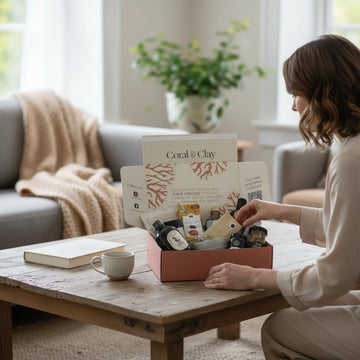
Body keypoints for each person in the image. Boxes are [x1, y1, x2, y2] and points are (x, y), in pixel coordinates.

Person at [203, 34, 360, 360]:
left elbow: (336, 274)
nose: (294, 106)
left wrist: (253, 276)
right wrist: (279, 212)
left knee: (279, 328)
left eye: (297, 95)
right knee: (311, 301)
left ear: (323, 92)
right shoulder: (352, 146)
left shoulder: (351, 160)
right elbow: (351, 230)